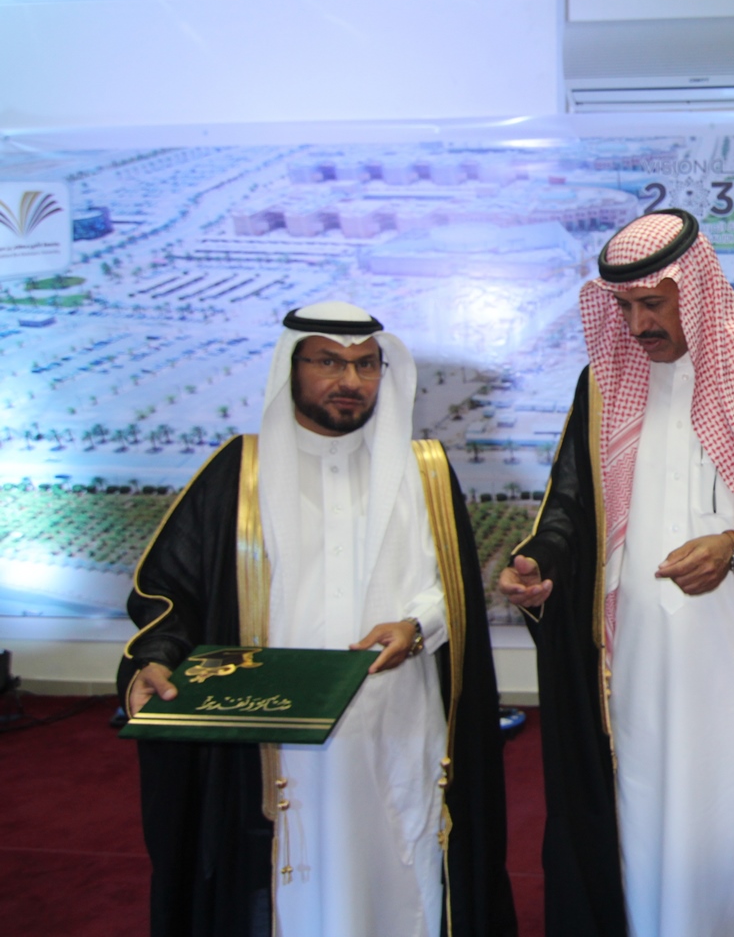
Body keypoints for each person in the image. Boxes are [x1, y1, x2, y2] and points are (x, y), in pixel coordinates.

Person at [498, 209, 734, 937]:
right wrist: (541, 561)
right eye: (624, 307)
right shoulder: (603, 386)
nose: (637, 325)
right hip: (639, 662)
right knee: (646, 813)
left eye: (653, 304)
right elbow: (572, 508)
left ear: (693, 290)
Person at [119, 301, 516, 937]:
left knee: (402, 867)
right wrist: (155, 658)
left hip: (397, 722)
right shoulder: (238, 472)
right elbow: (172, 590)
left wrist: (418, 627)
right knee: (289, 878)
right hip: (275, 737)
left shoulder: (425, 471)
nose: (350, 380)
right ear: (292, 367)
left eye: (365, 365)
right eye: (328, 362)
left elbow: (456, 587)